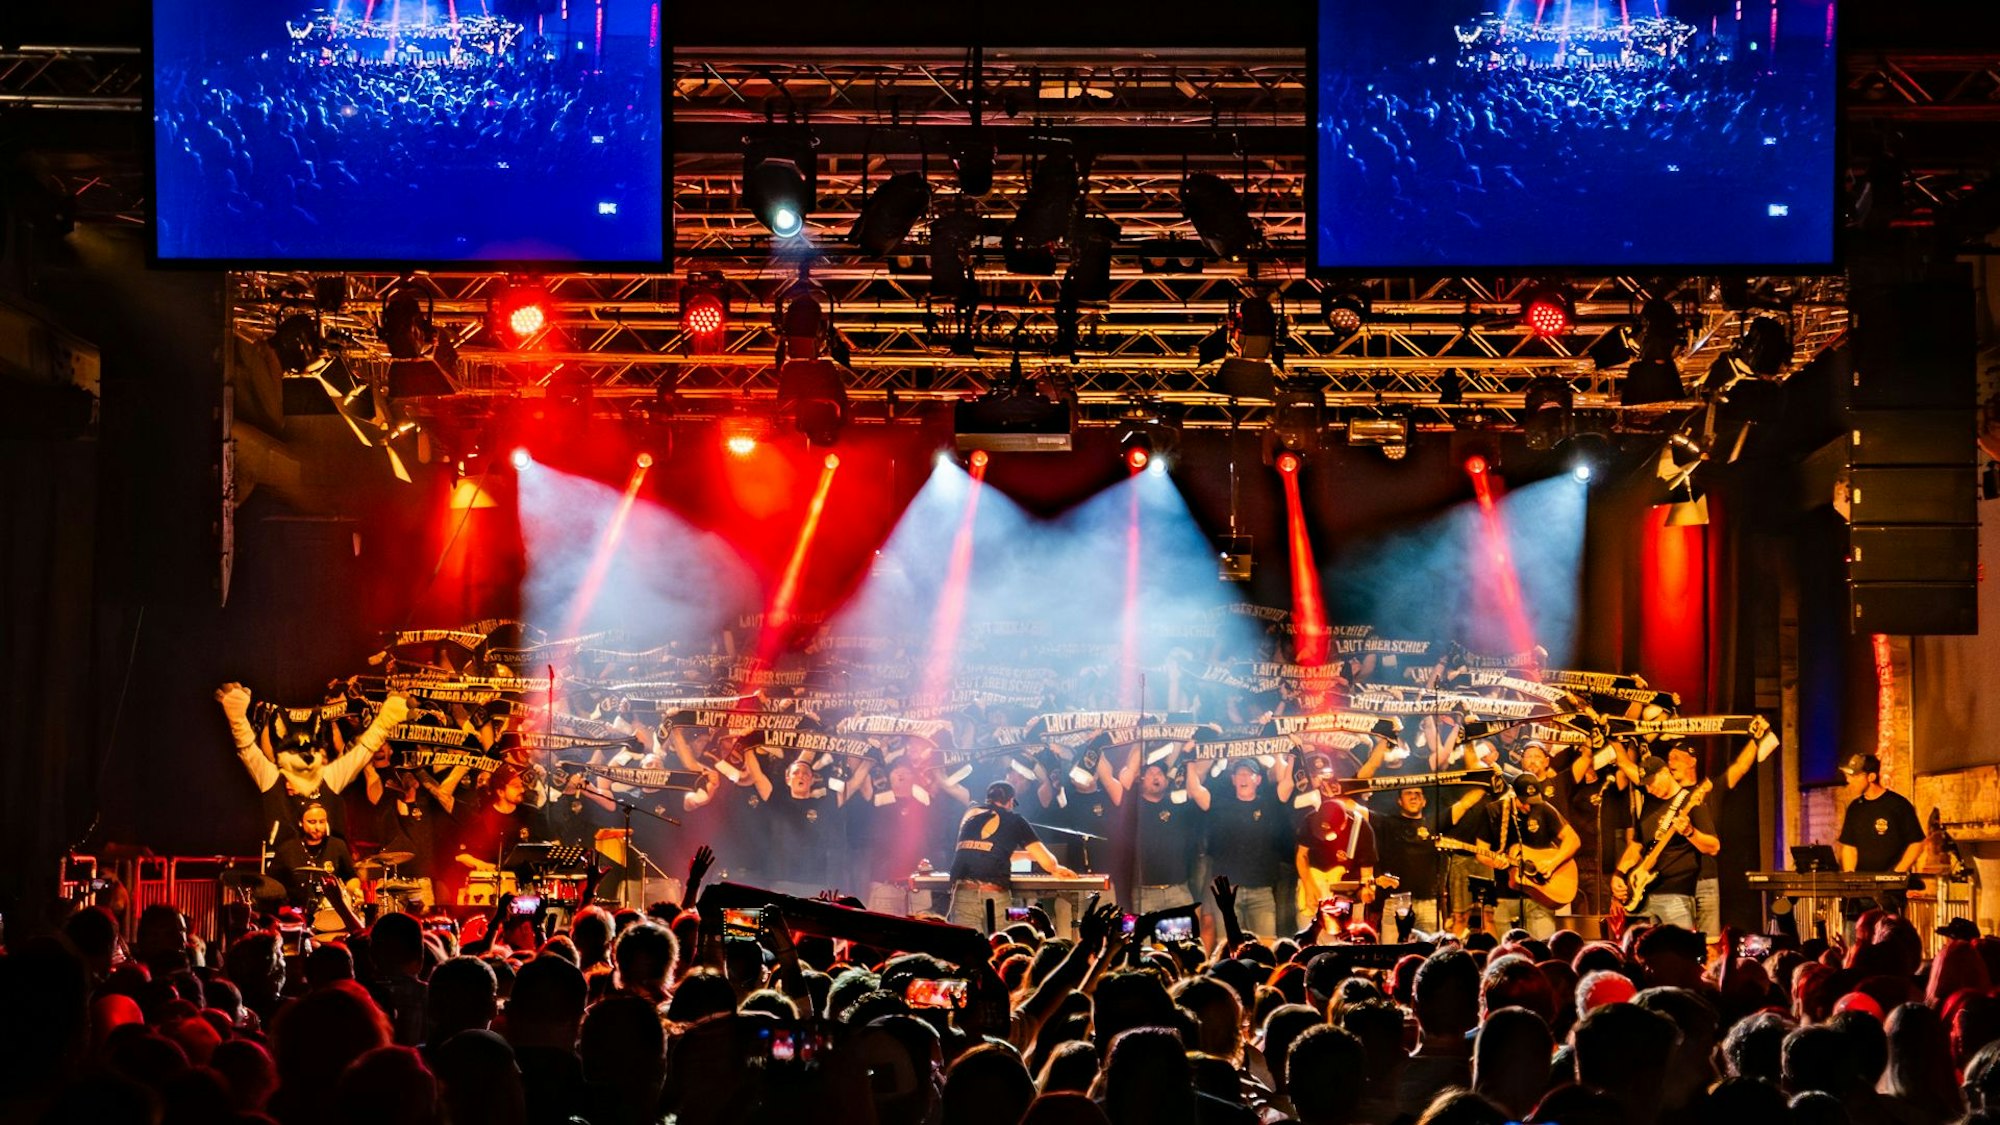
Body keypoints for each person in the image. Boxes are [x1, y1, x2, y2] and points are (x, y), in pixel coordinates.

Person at [217, 683, 410, 845]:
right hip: (283, 878)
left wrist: (385, 722)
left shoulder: (328, 777)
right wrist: (237, 720)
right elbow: (248, 751)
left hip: (325, 872)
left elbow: (361, 753)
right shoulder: (272, 778)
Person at [946, 781, 1077, 932]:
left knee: (967, 952)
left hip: (962, 894)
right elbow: (1048, 863)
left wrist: (1028, 856)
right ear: (1010, 802)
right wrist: (1056, 868)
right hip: (993, 897)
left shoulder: (970, 814)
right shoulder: (1015, 820)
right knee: (1000, 946)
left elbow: (986, 851)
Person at [1186, 756, 1293, 938]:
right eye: (1239, 774)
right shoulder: (1220, 804)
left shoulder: (1267, 803)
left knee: (1268, 946)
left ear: (1258, 780)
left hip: (1261, 890)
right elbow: (1196, 791)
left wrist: (1290, 756)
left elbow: (1287, 786)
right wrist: (1189, 760)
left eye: (1249, 774)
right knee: (1229, 947)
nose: (1243, 778)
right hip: (1228, 892)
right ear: (1233, 779)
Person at [1612, 755, 1718, 931]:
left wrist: (1689, 832)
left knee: (1676, 953)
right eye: (1645, 784)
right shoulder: (1649, 804)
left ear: (1665, 773)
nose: (1649, 788)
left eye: (1652, 782)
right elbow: (1637, 846)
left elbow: (1714, 847)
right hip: (1641, 899)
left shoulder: (1690, 801)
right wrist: (1618, 874)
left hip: (1675, 895)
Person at [1481, 766, 1579, 941]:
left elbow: (1573, 839)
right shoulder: (1494, 812)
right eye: (1523, 801)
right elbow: (1481, 852)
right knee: (1508, 955)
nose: (1528, 806)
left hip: (1541, 895)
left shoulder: (1544, 808)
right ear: (1512, 794)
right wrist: (1494, 862)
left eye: (1532, 801)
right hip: (1505, 895)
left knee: (1542, 948)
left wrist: (1553, 862)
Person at [271, 802, 362, 935]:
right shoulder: (287, 849)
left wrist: (355, 890)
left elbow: (351, 877)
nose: (318, 827)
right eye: (312, 822)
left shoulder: (338, 845)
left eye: (322, 821)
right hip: (294, 917)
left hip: (331, 913)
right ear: (301, 822)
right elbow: (272, 884)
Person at [1836, 753, 1924, 877]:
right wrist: (1850, 877)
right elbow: (1849, 846)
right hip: (1861, 886)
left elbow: (1917, 843)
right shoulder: (1855, 808)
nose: (1848, 780)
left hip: (1890, 889)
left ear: (1871, 777)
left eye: (1854, 776)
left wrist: (1897, 873)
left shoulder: (1898, 804)